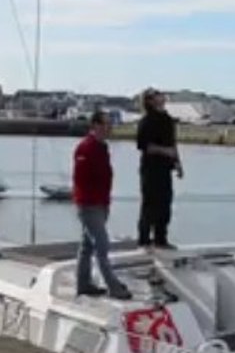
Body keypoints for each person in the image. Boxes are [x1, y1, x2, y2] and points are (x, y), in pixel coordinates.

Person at [73, 110, 132, 300]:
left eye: (110, 124)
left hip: (102, 203)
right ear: (95, 125)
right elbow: (80, 179)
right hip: (89, 204)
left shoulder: (102, 147)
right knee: (102, 245)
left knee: (87, 246)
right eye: (106, 124)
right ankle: (113, 286)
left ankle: (83, 284)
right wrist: (89, 201)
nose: (109, 128)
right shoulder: (85, 147)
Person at [135, 88, 183, 249]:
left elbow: (172, 143)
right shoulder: (147, 121)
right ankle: (143, 239)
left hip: (165, 169)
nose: (161, 96)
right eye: (157, 95)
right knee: (150, 205)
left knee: (165, 204)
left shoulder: (167, 119)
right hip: (150, 169)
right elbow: (144, 146)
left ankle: (161, 239)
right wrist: (165, 151)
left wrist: (177, 162)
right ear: (149, 100)